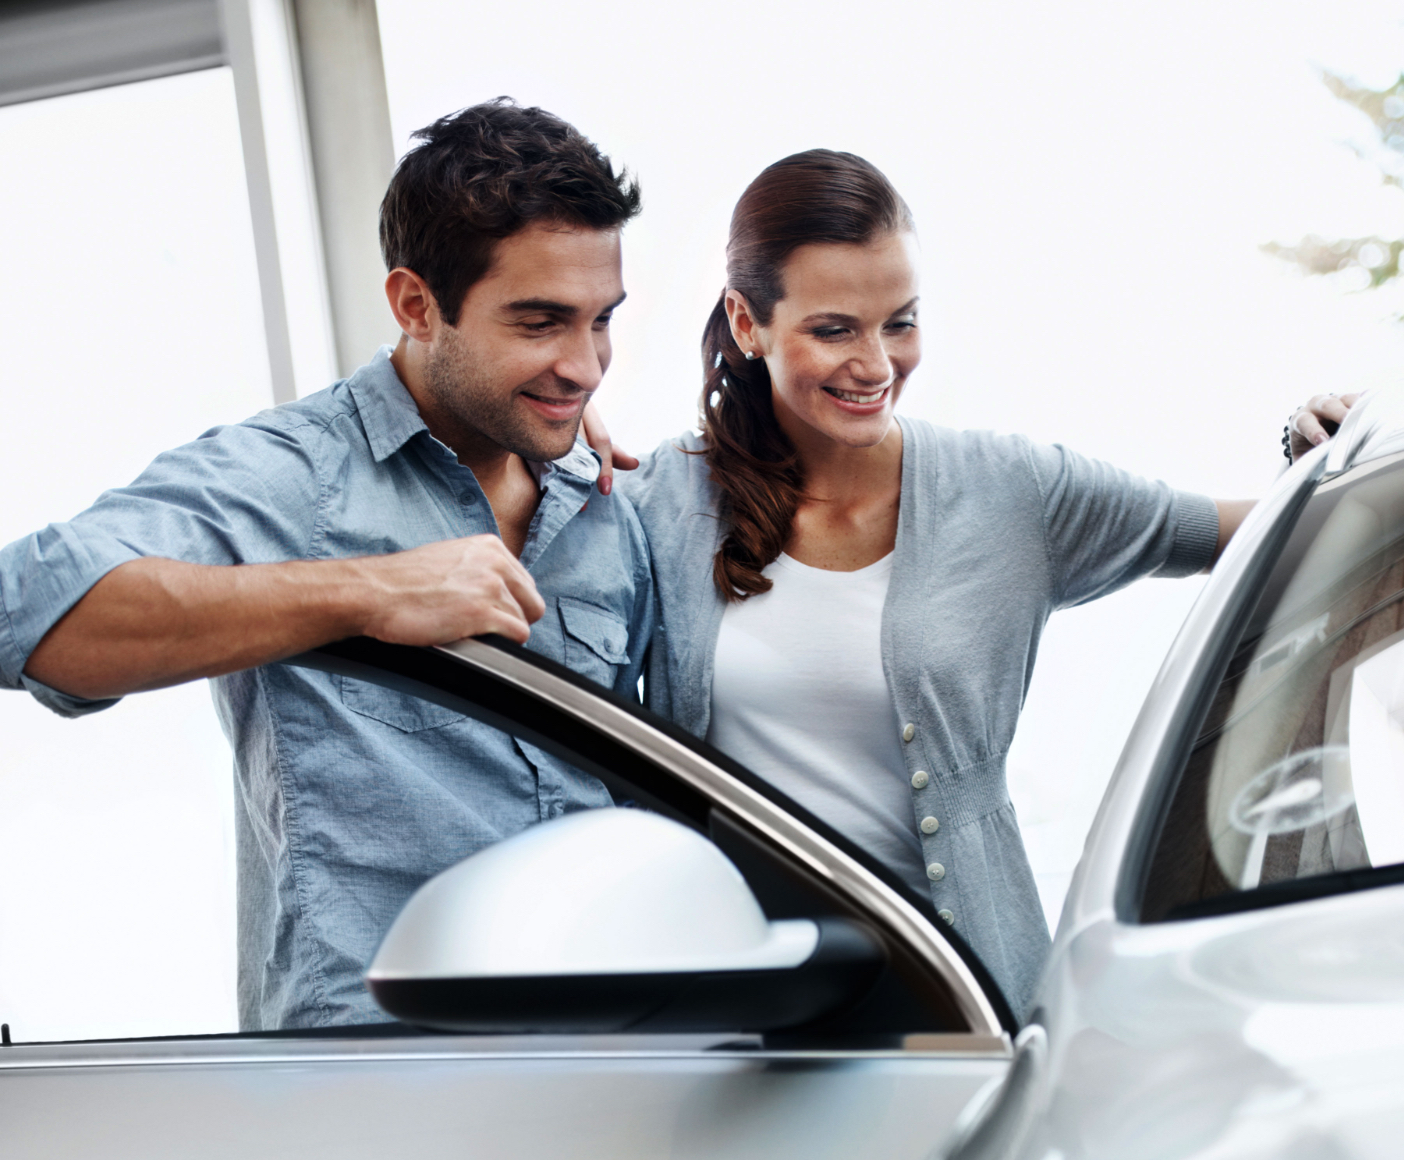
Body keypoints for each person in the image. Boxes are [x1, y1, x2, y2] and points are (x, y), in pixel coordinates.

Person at [584, 148, 1347, 1020]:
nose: (876, 365)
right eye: (835, 329)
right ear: (747, 322)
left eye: (900, 323)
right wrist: (559, 432)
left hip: (965, 1001)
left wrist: (1309, 445)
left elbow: (1250, 533)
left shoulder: (1011, 491)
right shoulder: (652, 504)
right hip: (736, 1016)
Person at [0, 99, 654, 1030]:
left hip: (612, 1066)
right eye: (541, 321)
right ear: (415, 305)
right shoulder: (291, 476)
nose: (586, 366)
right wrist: (372, 591)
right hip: (373, 1094)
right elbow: (27, 611)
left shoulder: (601, 505)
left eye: (601, 322)